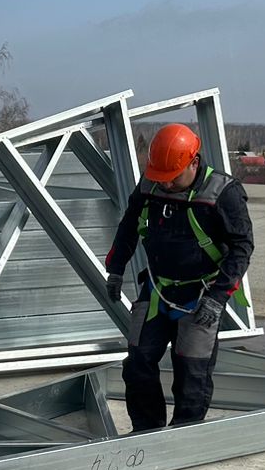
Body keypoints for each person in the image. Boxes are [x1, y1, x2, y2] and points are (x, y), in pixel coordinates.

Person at [103, 123, 255, 432]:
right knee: (138, 362)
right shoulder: (152, 183)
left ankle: (185, 435)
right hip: (157, 291)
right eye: (162, 177)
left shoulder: (223, 192)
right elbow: (129, 225)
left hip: (201, 296)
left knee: (192, 373)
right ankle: (146, 432)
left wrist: (217, 298)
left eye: (174, 177)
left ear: (194, 162)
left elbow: (242, 247)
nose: (167, 184)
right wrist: (116, 268)